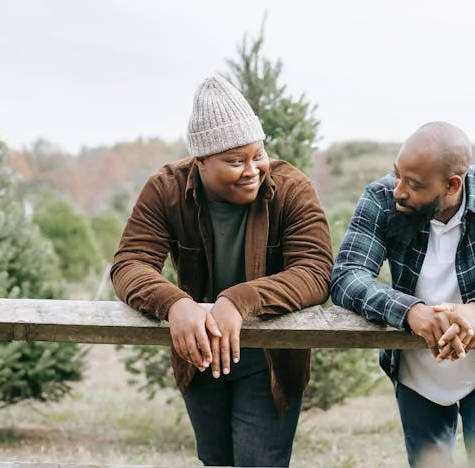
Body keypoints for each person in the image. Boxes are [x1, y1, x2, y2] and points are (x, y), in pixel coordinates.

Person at [111, 75, 333, 467]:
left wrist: (239, 300)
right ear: (200, 163)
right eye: (235, 160)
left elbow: (315, 271)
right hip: (199, 353)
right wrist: (174, 305)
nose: (252, 170)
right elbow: (129, 264)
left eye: (258, 155)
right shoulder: (165, 189)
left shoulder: (292, 188)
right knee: (215, 461)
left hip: (270, 358)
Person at [330, 121, 475, 467]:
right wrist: (410, 311)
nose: (399, 190)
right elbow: (346, 276)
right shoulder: (381, 198)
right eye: (397, 175)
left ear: (452, 185)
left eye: (414, 184)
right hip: (415, 369)